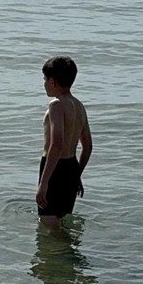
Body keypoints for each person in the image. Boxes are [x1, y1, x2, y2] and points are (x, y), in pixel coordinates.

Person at [36, 56, 92, 227]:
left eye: (45, 79)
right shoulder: (79, 106)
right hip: (71, 167)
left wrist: (44, 183)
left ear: (52, 81)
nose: (44, 84)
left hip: (55, 169)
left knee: (50, 226)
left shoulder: (56, 105)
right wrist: (77, 174)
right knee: (62, 223)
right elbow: (88, 146)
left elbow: (57, 144)